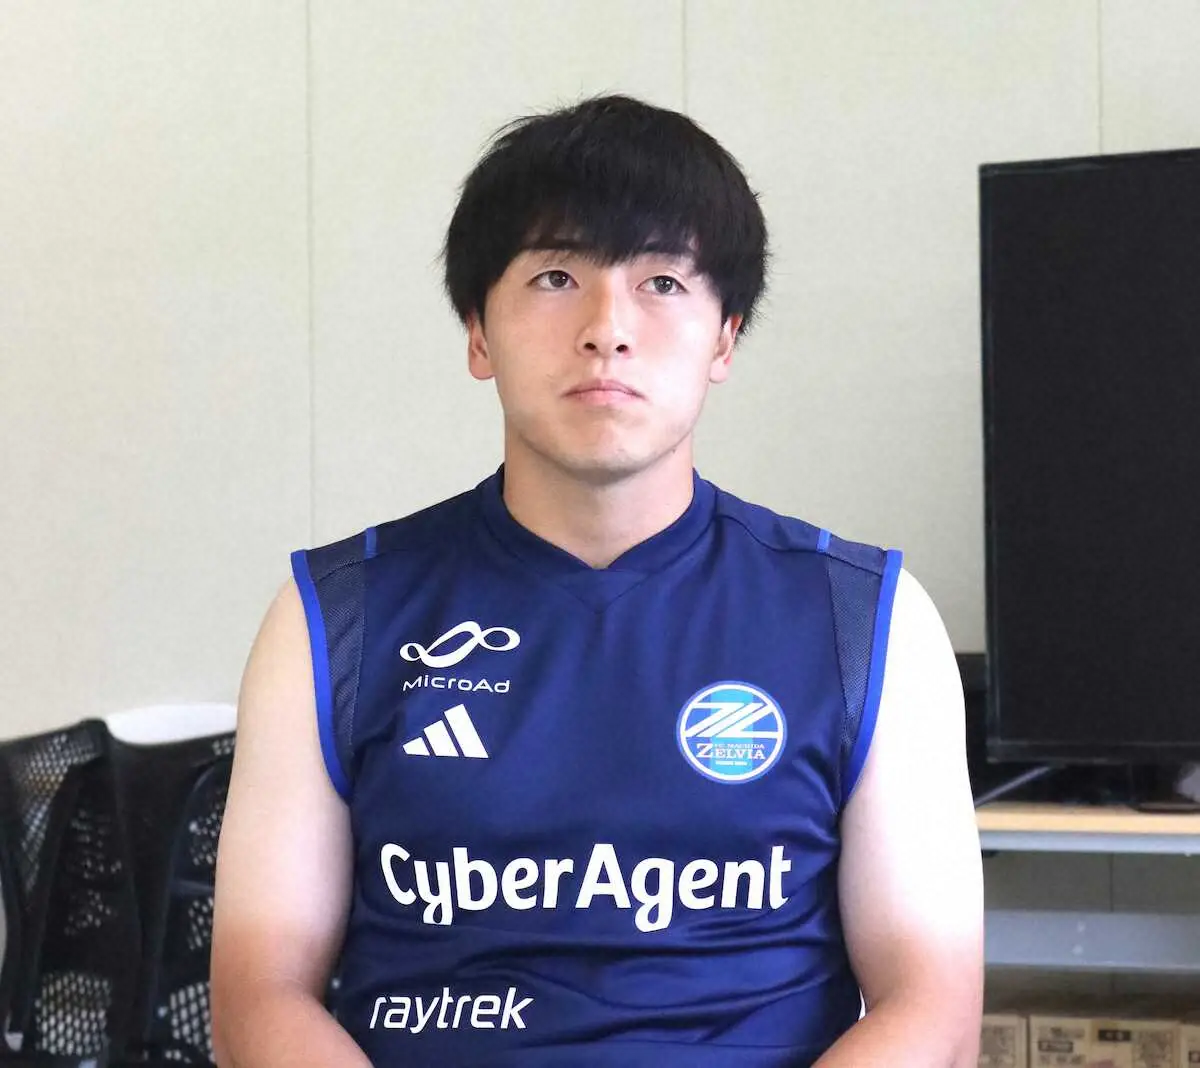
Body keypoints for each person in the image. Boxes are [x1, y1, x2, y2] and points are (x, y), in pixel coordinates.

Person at [211, 94, 983, 1067]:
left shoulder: (866, 620)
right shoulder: (332, 620)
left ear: (725, 338)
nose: (607, 328)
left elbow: (931, 1008)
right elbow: (257, 997)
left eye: (661, 281)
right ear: (478, 332)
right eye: (555, 276)